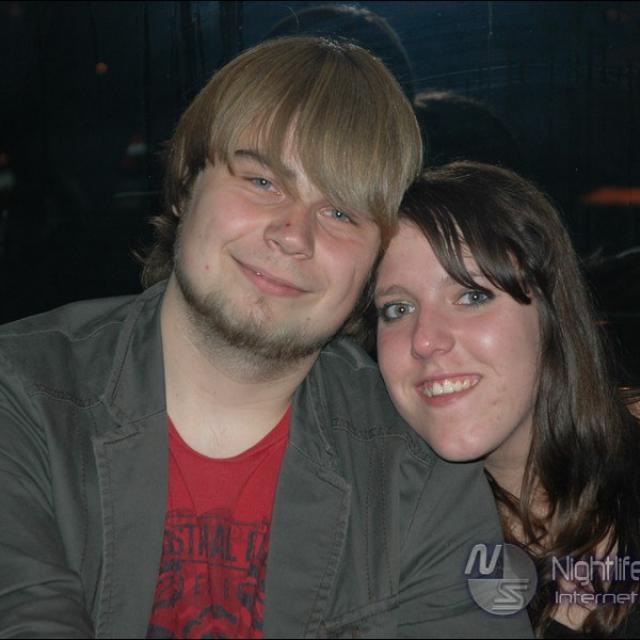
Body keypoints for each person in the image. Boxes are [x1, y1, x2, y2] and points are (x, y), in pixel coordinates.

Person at [0, 39, 532, 638]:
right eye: (262, 181)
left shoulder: (417, 476)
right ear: (186, 186)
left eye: (341, 213)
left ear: (372, 267)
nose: (294, 235)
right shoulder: (23, 395)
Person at [374, 160, 640, 638]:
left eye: (472, 295)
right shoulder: (389, 549)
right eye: (398, 308)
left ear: (551, 312)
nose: (425, 340)